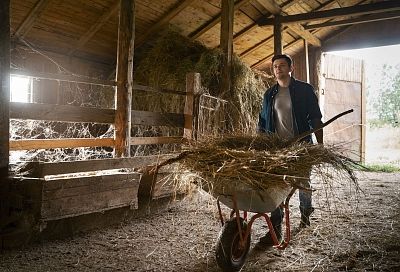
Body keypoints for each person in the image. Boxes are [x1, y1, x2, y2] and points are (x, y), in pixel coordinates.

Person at [257, 54, 323, 245]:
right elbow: (262, 122)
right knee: (275, 185)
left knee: (303, 181)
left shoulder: (304, 90)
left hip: (301, 145)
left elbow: (316, 118)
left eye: (282, 65)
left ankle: (305, 215)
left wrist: (319, 145)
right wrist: (260, 144)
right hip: (277, 148)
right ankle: (275, 228)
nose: (278, 69)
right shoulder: (269, 94)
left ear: (291, 68)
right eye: (275, 66)